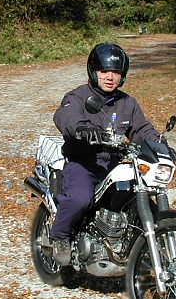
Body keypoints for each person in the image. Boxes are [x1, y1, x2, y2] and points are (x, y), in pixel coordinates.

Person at [51, 42, 164, 265]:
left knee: (141, 199)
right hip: (83, 163)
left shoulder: (127, 103)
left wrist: (159, 144)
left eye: (116, 72)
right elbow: (66, 117)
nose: (110, 77)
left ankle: (149, 246)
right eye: (104, 71)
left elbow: (141, 129)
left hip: (114, 164)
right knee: (80, 198)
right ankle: (60, 236)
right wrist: (83, 129)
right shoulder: (77, 96)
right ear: (93, 71)